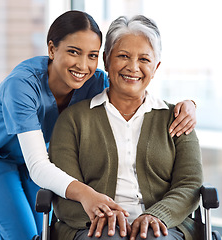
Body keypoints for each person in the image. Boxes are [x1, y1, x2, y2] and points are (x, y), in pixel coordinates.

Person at [0, 11, 197, 240]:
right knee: (24, 234)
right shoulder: (22, 86)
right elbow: (38, 167)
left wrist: (189, 105)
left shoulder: (94, 81)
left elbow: (132, 87)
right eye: (74, 52)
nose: (83, 65)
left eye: (92, 55)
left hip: (42, 157)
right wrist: (87, 194)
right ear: (52, 49)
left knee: (40, 233)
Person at [48, 15, 203, 240]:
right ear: (106, 61)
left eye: (144, 59)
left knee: (151, 236)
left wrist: (157, 215)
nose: (133, 67)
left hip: (164, 227)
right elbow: (64, 187)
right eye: (123, 56)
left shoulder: (178, 118)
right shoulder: (73, 120)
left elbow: (190, 184)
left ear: (156, 66)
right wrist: (104, 216)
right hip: (91, 227)